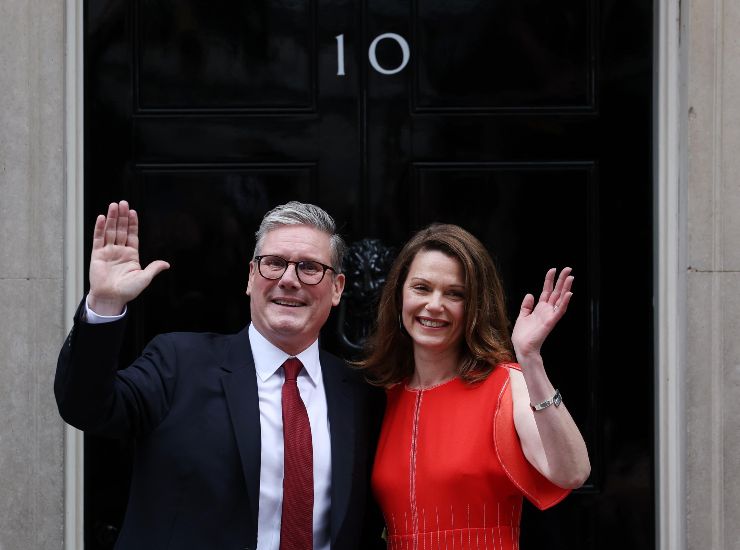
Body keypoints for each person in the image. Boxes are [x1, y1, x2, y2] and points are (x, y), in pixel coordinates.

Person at [55, 200, 384, 550]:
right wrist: (104, 304)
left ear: (337, 288)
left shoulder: (360, 393)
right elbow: (85, 407)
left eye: (309, 267)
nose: (289, 280)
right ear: (251, 277)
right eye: (274, 263)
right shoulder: (179, 363)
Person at [359, 224, 591, 549]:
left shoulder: (506, 385)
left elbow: (572, 472)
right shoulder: (384, 396)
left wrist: (530, 358)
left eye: (455, 293)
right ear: (399, 296)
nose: (435, 304)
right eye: (422, 288)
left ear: (475, 307)